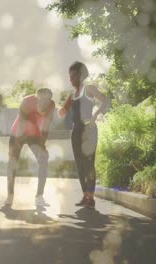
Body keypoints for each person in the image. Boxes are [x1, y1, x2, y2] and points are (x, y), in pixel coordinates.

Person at [58, 61, 109, 209]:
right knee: (80, 166)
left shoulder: (89, 89)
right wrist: (60, 111)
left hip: (89, 129)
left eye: (73, 76)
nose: (71, 79)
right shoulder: (72, 95)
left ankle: (91, 198)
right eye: (70, 76)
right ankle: (86, 196)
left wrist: (96, 116)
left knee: (88, 164)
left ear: (81, 76)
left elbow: (105, 101)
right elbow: (63, 111)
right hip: (76, 131)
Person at [5, 88, 55, 206]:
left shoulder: (51, 105)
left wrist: (42, 146)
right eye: (42, 99)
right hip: (18, 132)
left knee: (43, 158)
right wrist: (16, 147)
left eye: (47, 99)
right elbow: (22, 124)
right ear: (36, 98)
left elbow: (46, 126)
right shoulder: (27, 102)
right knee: (12, 162)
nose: (44, 102)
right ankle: (10, 195)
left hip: (34, 133)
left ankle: (39, 196)